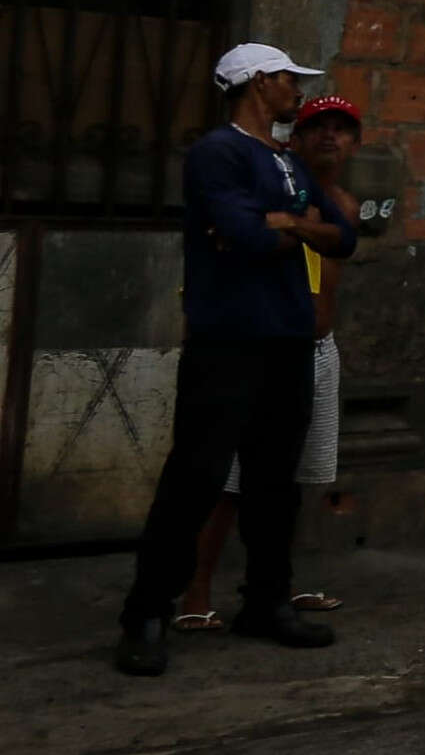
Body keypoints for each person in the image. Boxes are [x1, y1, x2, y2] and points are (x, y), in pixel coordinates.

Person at [117, 44, 354, 675]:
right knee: (195, 479)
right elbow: (241, 234)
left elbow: (345, 236)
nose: (296, 91)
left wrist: (290, 224)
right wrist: (289, 226)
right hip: (227, 342)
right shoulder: (217, 153)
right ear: (255, 83)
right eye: (286, 79)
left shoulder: (291, 161)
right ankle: (146, 612)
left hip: (288, 343)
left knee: (274, 486)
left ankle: (266, 603)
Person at [177, 94, 364, 632]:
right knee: (226, 482)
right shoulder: (264, 189)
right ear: (294, 139)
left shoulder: (344, 207)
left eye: (342, 129)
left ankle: (273, 587)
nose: (330, 137)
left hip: (315, 350)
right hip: (257, 346)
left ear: (356, 143)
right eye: (318, 127)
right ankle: (195, 591)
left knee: (288, 480)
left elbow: (336, 254)